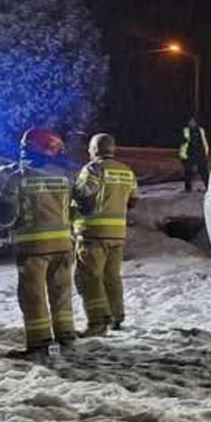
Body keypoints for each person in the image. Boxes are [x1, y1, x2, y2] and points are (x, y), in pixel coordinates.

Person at [0, 127, 78, 360]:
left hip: (33, 249)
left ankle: (39, 344)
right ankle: (66, 336)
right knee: (61, 293)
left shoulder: (19, 177)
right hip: (63, 244)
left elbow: (6, 216)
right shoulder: (65, 175)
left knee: (33, 296)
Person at [73, 133, 138, 336]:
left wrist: (70, 189)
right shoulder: (126, 171)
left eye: (90, 149)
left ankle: (97, 322)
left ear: (94, 150)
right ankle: (116, 317)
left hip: (92, 233)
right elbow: (134, 200)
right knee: (112, 277)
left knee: (89, 278)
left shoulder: (92, 168)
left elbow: (85, 193)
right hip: (117, 233)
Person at [178, 116, 209, 192]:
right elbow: (182, 144)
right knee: (188, 172)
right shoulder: (186, 130)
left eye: (193, 121)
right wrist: (182, 155)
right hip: (190, 153)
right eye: (190, 121)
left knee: (204, 172)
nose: (192, 123)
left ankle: (208, 187)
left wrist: (205, 153)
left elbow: (204, 142)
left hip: (200, 153)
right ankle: (188, 188)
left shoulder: (201, 130)